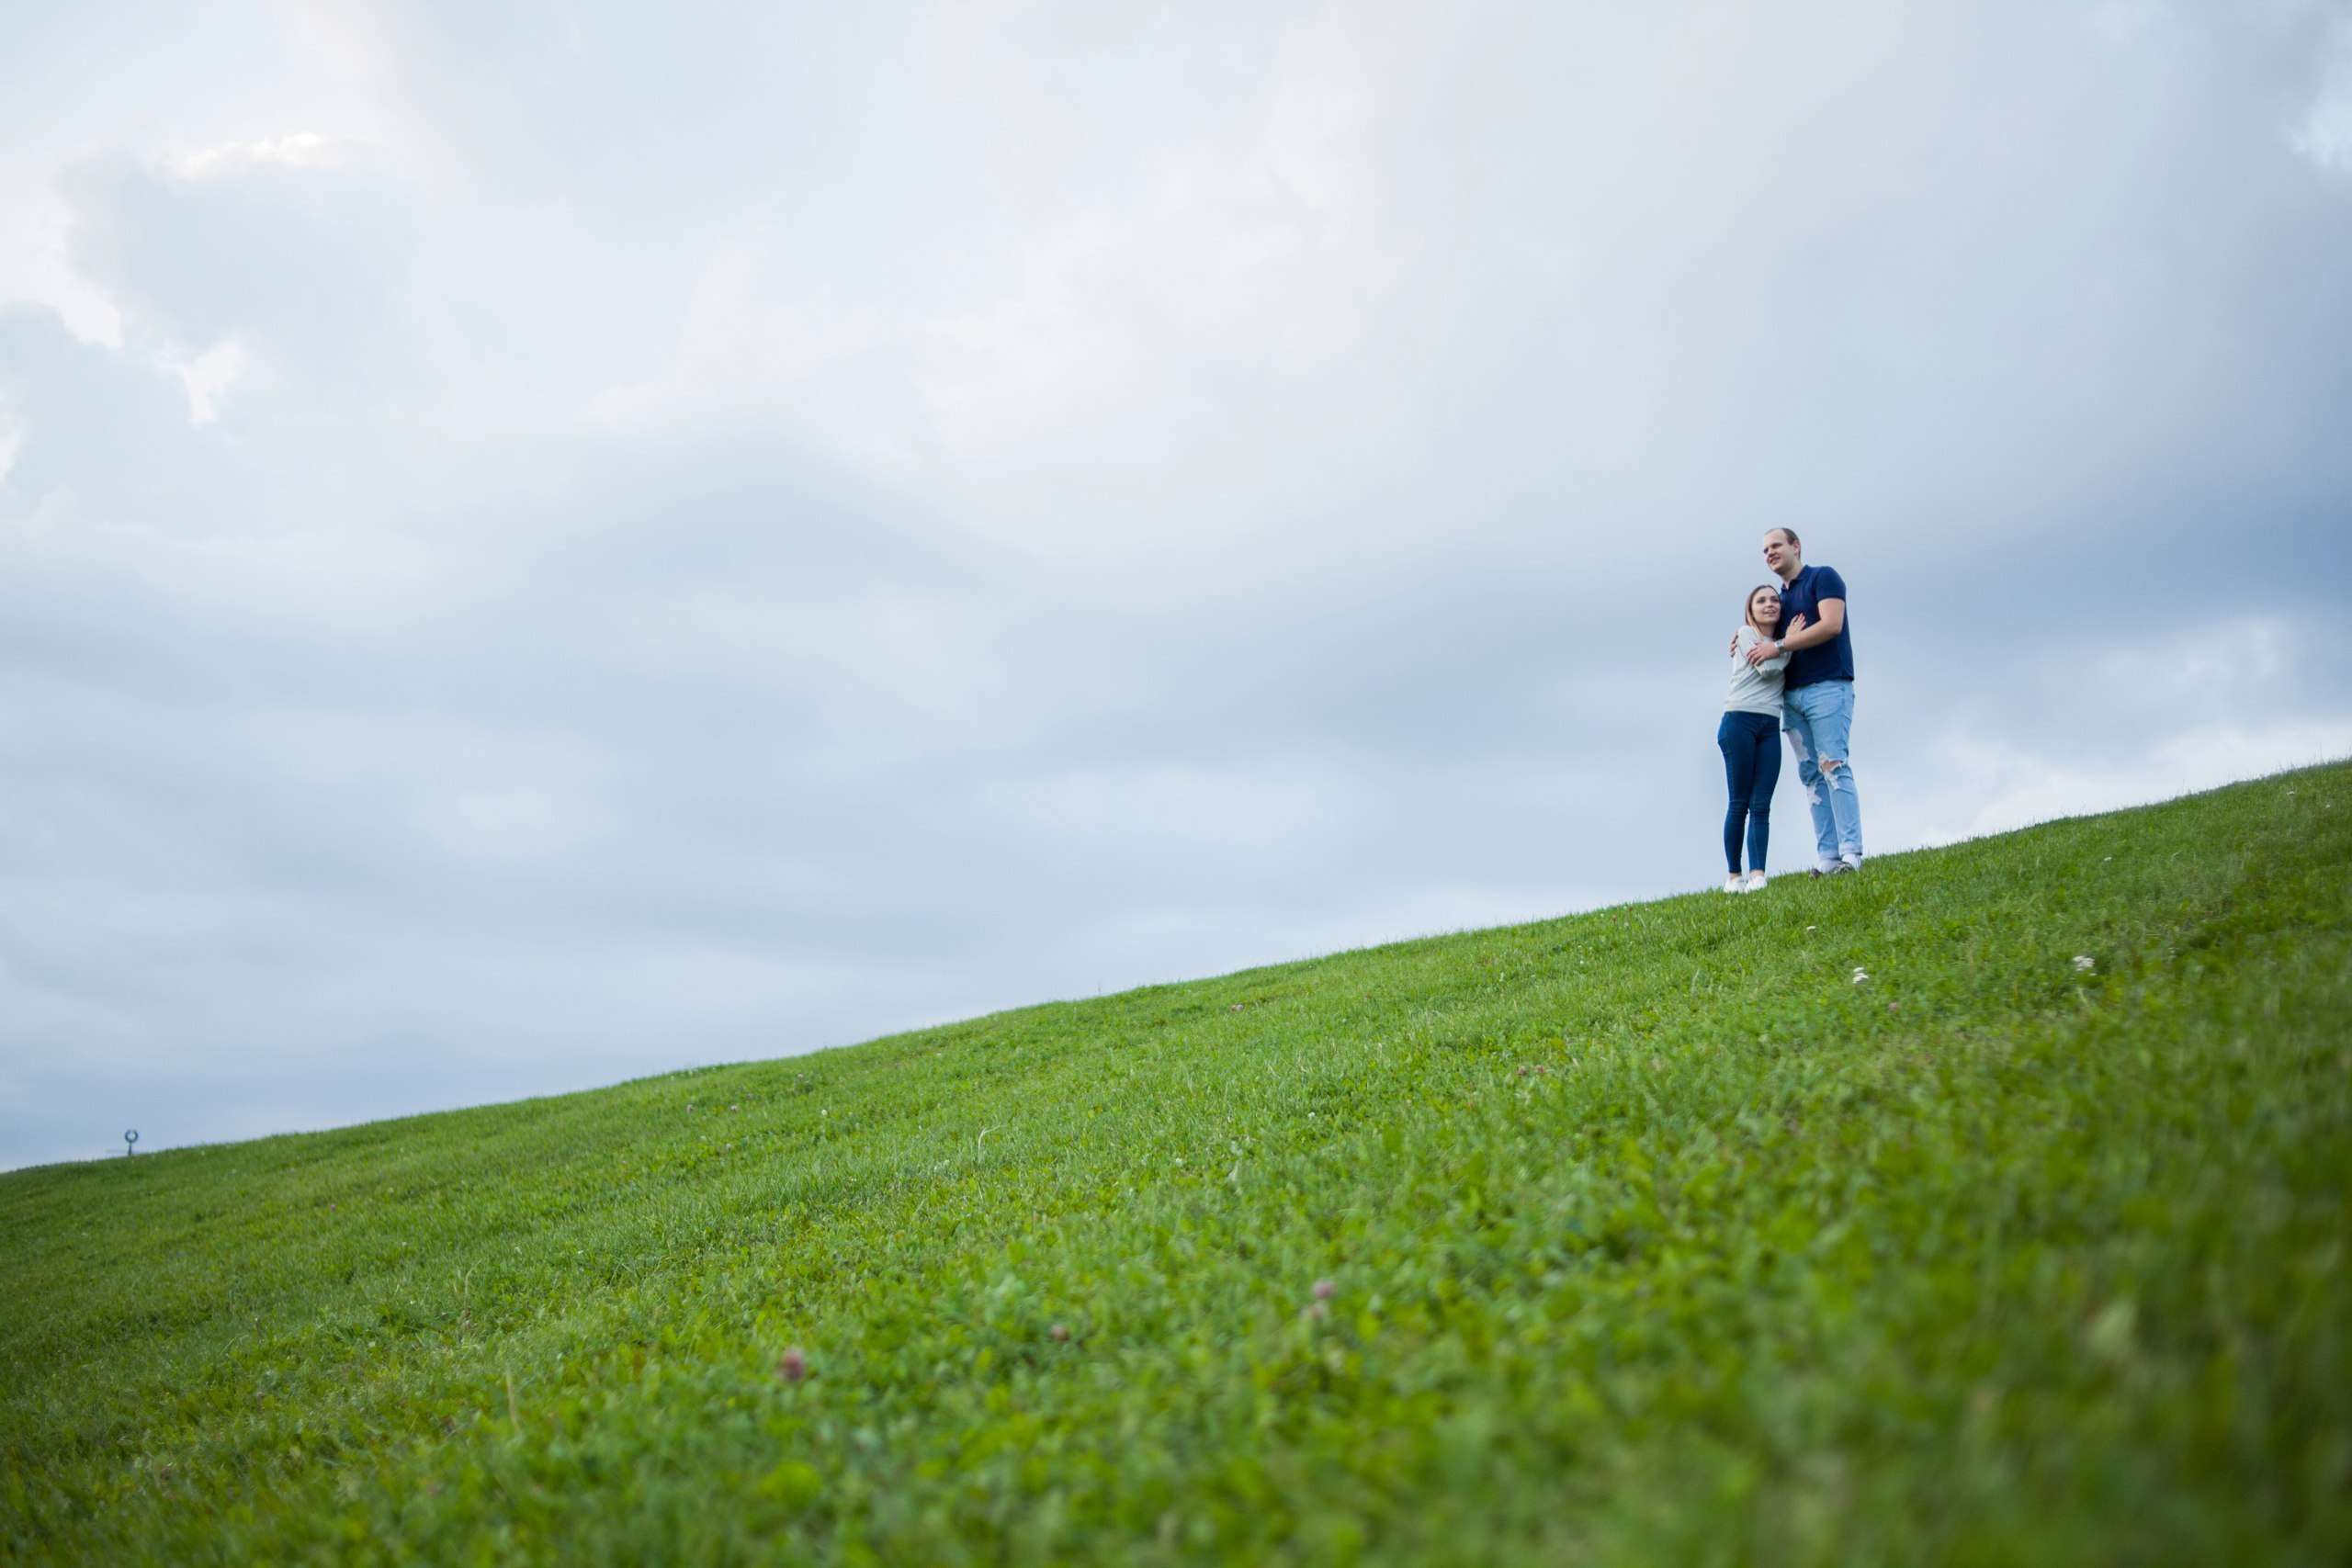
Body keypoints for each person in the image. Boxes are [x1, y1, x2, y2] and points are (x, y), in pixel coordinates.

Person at [1747, 526, 1861, 874]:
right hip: (1791, 697)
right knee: (1811, 775)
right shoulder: (1778, 600)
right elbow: (1760, 633)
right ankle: (1827, 859)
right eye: (1765, 549)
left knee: (1834, 767)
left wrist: (1779, 646)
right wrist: (1741, 639)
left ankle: (1851, 855)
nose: (1770, 553)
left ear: (1795, 546)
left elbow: (1831, 625)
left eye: (1776, 545)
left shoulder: (1823, 578)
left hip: (1828, 687)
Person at [1720, 582, 1796, 892]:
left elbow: (1776, 661)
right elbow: (1767, 669)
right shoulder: (1745, 634)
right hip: (1739, 720)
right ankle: (1733, 876)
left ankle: (1758, 874)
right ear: (1750, 610)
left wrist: (1786, 644)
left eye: (1775, 600)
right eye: (1761, 600)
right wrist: (1789, 644)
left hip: (1769, 724)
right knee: (1739, 801)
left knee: (1761, 803)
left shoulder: (1784, 642)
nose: (1769, 604)